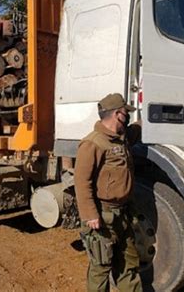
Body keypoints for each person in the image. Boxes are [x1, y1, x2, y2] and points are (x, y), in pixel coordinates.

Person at [75, 93, 142, 292]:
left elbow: (136, 130)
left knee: (129, 265)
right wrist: (90, 215)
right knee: (101, 268)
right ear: (117, 115)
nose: (128, 118)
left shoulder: (121, 139)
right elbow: (82, 182)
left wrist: (151, 113)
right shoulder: (93, 143)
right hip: (103, 217)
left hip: (123, 214)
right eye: (126, 114)